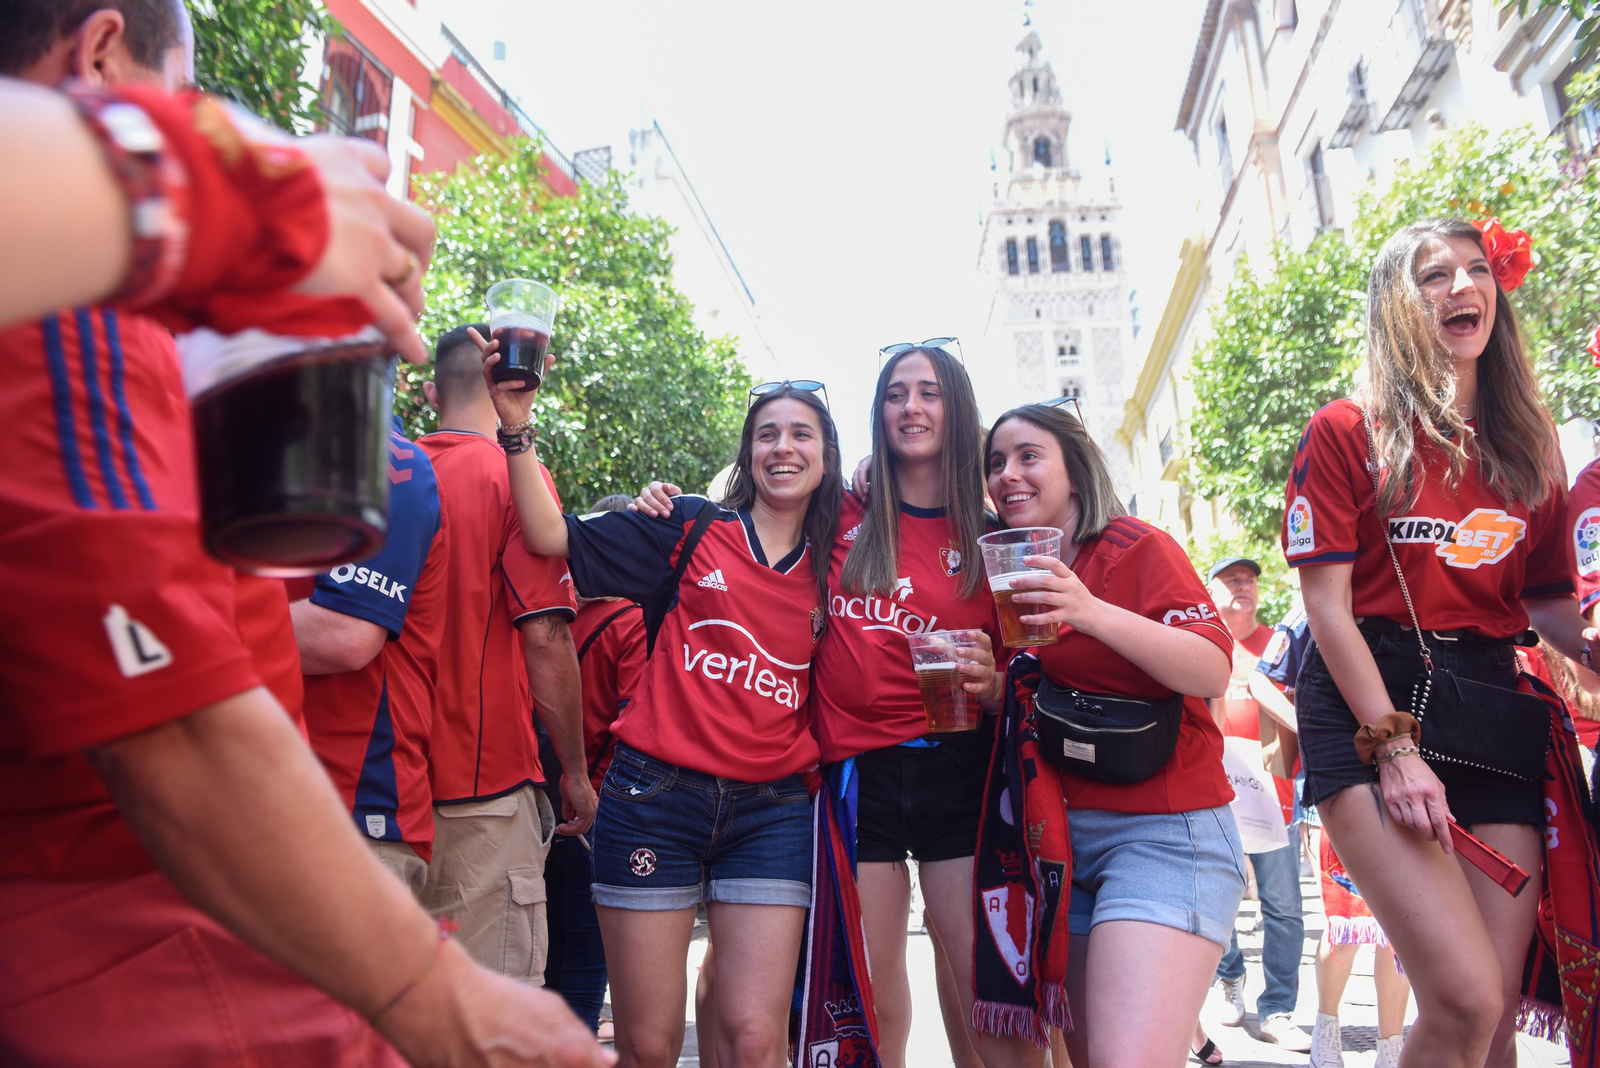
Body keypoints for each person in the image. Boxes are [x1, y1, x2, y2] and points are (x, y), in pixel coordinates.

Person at [0, 4, 609, 1065]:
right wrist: (437, 999)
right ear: (99, 56)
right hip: (136, 958)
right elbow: (175, 732)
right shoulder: (70, 314)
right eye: (182, 104)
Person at [634, 342, 1008, 1068]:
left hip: (959, 768)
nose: (911, 407)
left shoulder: (989, 532)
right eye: (896, 394)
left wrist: (992, 687)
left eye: (929, 392)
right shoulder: (842, 504)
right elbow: (749, 516)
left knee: (979, 986)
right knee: (867, 993)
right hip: (852, 773)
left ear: (955, 406)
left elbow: (1017, 672)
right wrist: (668, 504)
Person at [1283, 217, 1595, 1068]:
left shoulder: (1529, 448)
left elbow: (1547, 602)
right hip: (1371, 700)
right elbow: (1328, 611)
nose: (1463, 286)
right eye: (1434, 275)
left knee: (1492, 1024)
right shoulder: (1347, 430)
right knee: (1462, 999)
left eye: (1475, 270)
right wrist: (1392, 750)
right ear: (1396, 304)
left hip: (1495, 702)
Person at [490, 334, 843, 1068]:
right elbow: (549, 533)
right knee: (649, 1046)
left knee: (755, 1039)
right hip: (654, 797)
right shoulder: (688, 526)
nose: (783, 447)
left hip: (773, 810)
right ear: (747, 455)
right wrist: (516, 428)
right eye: (767, 434)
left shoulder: (841, 561)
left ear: (826, 456)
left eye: (801, 434)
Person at [984, 402, 1240, 1068]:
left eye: (1028, 456)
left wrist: (1090, 612)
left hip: (1165, 832)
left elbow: (1211, 665)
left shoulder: (1135, 547)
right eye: (995, 463)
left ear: (1074, 468)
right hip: (1065, 844)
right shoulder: (1009, 569)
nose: (1008, 474)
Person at [417, 325, 593, 983]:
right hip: (484, 794)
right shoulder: (515, 478)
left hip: (382, 789)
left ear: (434, 391)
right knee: (487, 1026)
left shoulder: (392, 474)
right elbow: (546, 639)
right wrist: (574, 772)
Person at [289, 416, 449, 896]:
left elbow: (346, 635)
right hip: (252, 798)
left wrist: (183, 623)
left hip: (349, 810)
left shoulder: (387, 462)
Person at [541, 491, 647, 1032]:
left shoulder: (555, 617)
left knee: (551, 968)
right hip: (599, 810)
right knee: (585, 975)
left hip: (545, 806)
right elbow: (631, 723)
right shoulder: (632, 621)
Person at [1204, 556, 1309, 1053]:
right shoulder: (1202, 640)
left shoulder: (1279, 643)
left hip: (1275, 796)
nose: (1244, 585)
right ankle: (1230, 978)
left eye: (1249, 579)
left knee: (1284, 907)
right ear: (1211, 589)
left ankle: (1278, 1008)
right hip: (1211, 795)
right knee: (1217, 902)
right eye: (1231, 580)